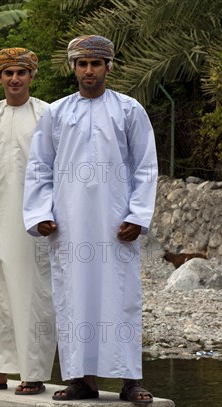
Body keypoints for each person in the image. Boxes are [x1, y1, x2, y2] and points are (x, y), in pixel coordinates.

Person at [23, 35, 157, 404]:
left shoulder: (129, 110)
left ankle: (131, 381)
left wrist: (137, 214)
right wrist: (40, 213)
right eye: (82, 64)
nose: (88, 71)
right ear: (73, 68)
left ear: (108, 67)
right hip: (69, 224)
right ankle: (83, 380)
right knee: (74, 298)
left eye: (95, 64)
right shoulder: (57, 112)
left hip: (116, 225)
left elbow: (146, 166)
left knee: (121, 297)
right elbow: (39, 167)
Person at [0, 48, 55, 395]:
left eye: (21, 72)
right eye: (8, 73)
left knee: (34, 295)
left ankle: (32, 373)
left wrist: (43, 208)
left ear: (32, 75)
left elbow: (57, 164)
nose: (14, 78)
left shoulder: (48, 114)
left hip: (34, 222)